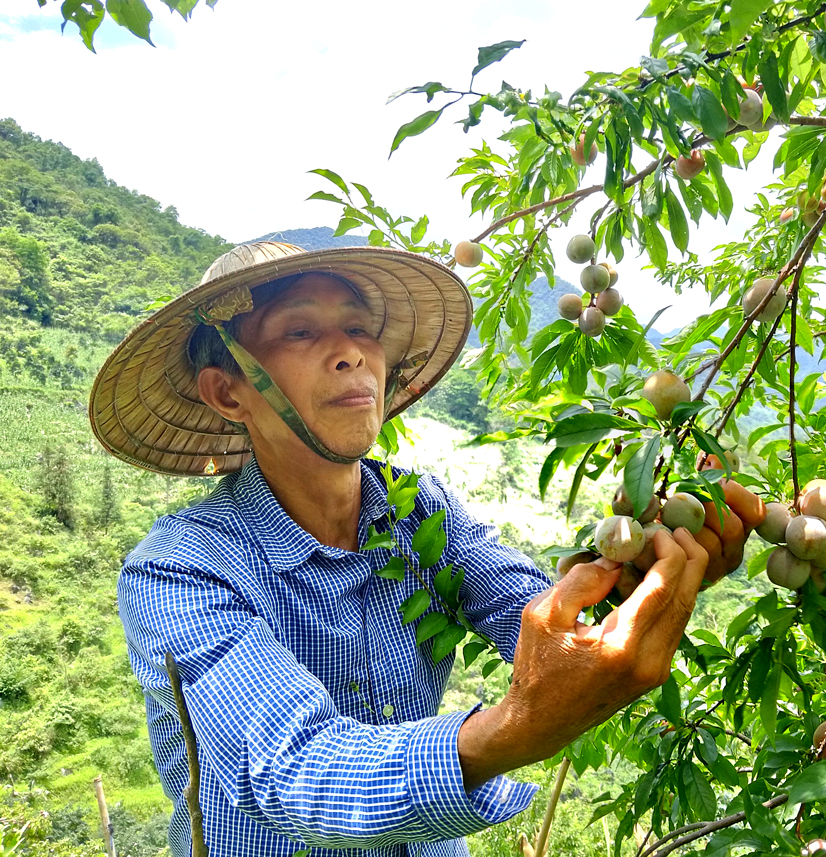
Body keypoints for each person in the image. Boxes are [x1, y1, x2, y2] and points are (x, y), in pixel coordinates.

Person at [89, 242, 757, 857]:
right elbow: (298, 769)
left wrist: (642, 573)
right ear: (228, 389)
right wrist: (514, 727)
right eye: (299, 330)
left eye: (359, 327)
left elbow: (530, 604)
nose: (350, 351)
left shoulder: (419, 511)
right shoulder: (178, 571)